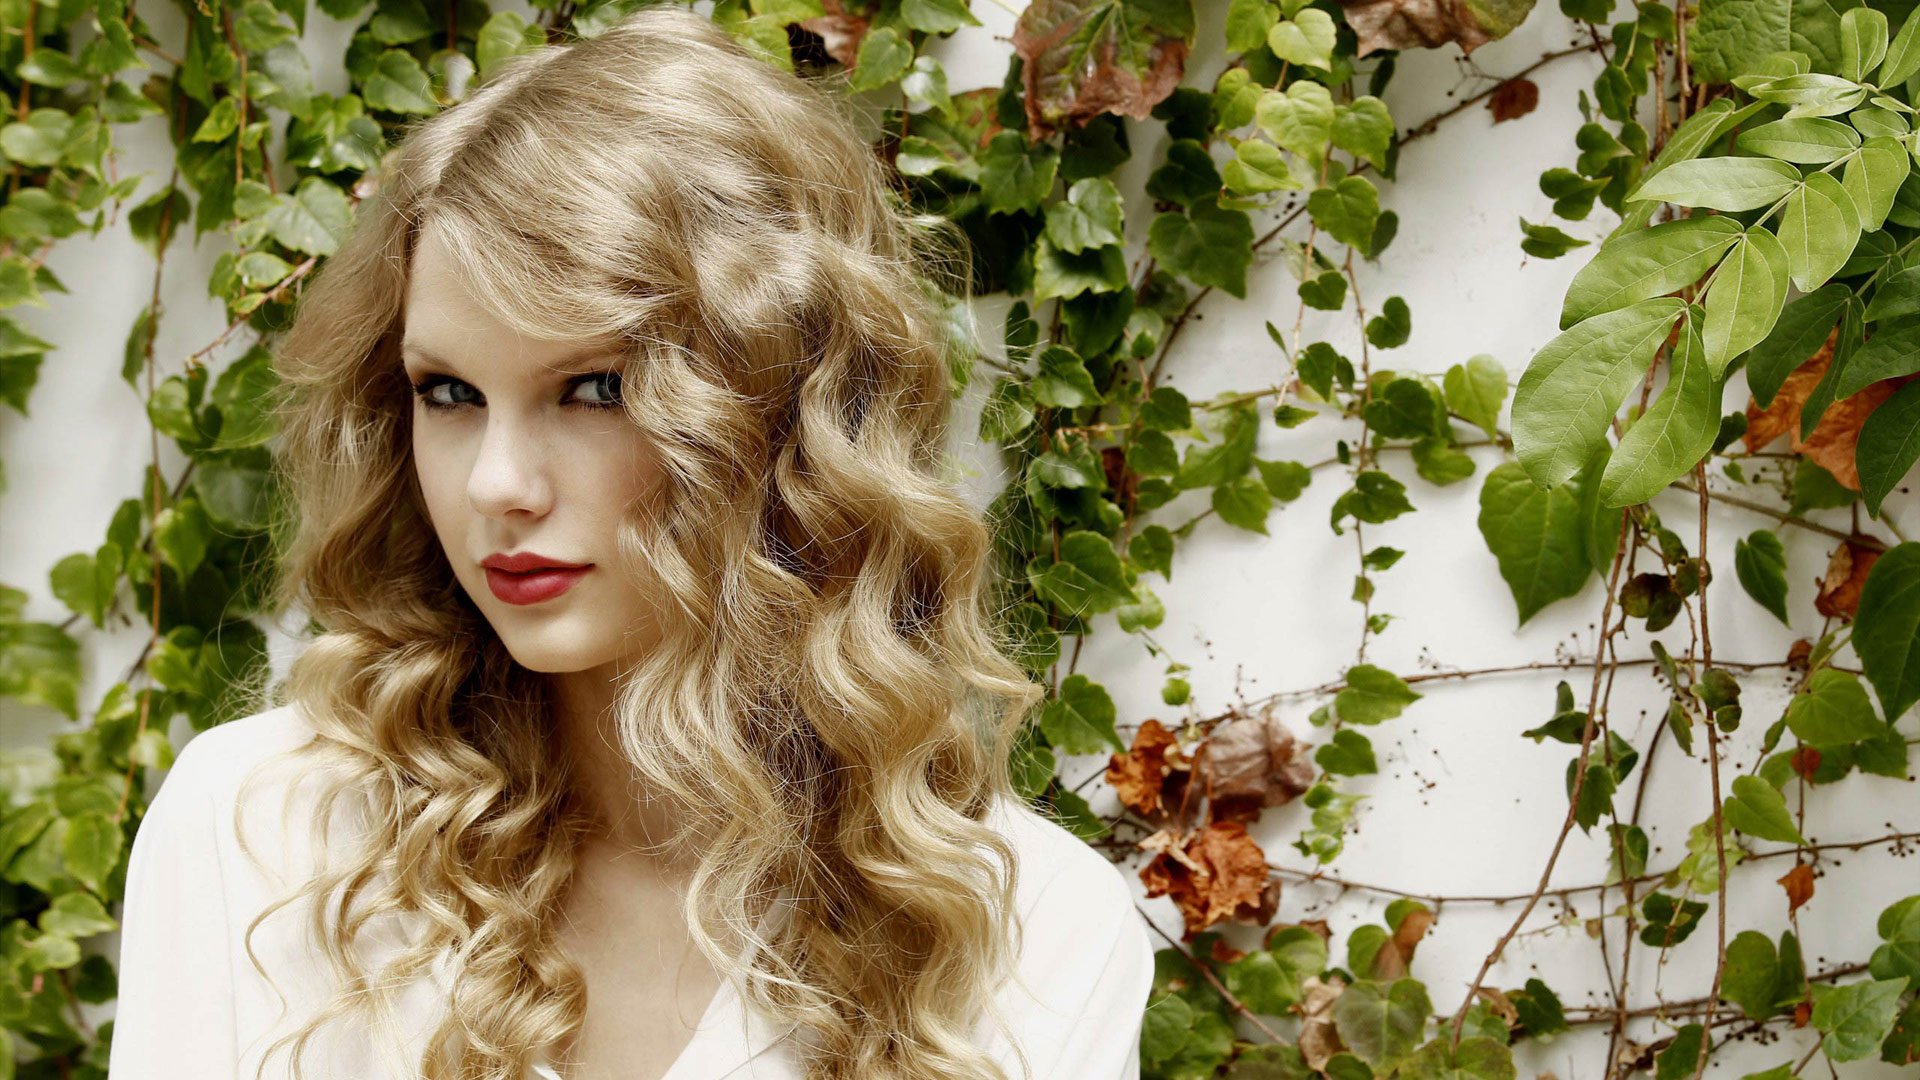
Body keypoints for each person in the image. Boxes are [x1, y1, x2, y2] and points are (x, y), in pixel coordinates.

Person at [106, 7, 1155, 1080]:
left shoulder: (1026, 935)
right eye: (449, 392)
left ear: (789, 411)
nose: (497, 484)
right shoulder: (264, 837)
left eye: (596, 389)